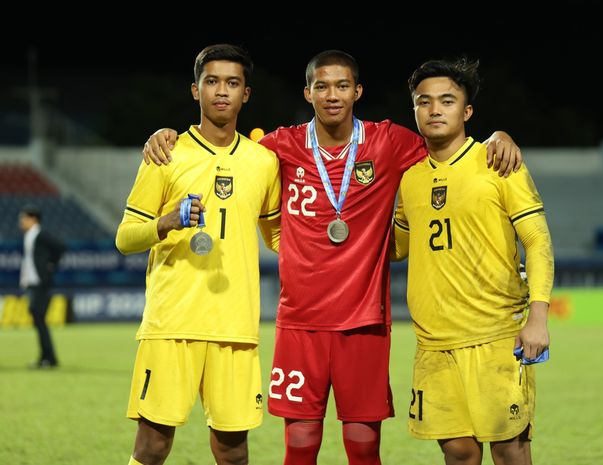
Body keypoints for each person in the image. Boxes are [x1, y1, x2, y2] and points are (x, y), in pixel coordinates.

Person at [142, 50, 522, 465]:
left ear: (357, 91)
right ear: (308, 93)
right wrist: (167, 134)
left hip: (364, 320)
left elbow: (446, 144)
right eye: (322, 86)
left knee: (362, 443)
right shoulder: (277, 148)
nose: (332, 95)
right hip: (300, 319)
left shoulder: (389, 141)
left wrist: (496, 136)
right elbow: (226, 149)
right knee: (301, 440)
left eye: (342, 85)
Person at [115, 44, 281, 465]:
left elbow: (279, 236)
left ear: (246, 94)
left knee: (233, 452)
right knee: (151, 446)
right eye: (211, 81)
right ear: (195, 90)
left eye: (232, 82)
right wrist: (164, 223)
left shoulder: (263, 162)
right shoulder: (166, 153)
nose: (221, 91)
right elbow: (125, 238)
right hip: (172, 322)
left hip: (235, 325)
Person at [391, 57, 554, 465]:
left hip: (495, 336)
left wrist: (538, 317)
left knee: (509, 451)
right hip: (434, 343)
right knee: (459, 453)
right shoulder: (409, 179)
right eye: (423, 102)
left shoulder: (499, 162)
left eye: (446, 101)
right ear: (414, 109)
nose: (434, 110)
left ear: (466, 112)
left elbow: (537, 241)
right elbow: (396, 248)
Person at [18, 204, 65, 369]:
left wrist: (51, 264)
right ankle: (46, 357)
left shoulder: (40, 234)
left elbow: (61, 246)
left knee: (39, 319)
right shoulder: (29, 236)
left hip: (40, 283)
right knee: (38, 319)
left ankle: (49, 358)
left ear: (33, 219)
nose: (21, 221)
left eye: (23, 218)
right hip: (32, 282)